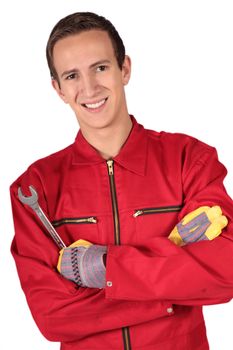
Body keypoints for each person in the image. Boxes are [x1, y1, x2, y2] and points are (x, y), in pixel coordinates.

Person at [10, 11, 233, 350]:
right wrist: (169, 294)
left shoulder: (190, 160)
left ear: (124, 69)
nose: (89, 88)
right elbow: (53, 316)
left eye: (100, 68)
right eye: (72, 75)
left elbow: (225, 271)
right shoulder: (36, 188)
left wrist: (104, 267)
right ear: (58, 89)